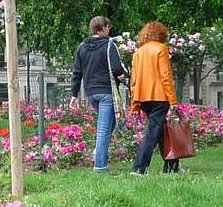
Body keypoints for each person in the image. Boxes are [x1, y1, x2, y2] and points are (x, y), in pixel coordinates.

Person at [69, 17, 129, 172]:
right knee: (103, 129)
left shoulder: (82, 47)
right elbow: (117, 69)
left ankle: (102, 158)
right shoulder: (109, 45)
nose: (109, 29)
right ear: (102, 28)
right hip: (106, 92)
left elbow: (77, 72)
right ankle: (100, 165)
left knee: (109, 125)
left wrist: (74, 95)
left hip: (91, 92)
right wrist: (122, 69)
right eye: (108, 27)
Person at [128, 21, 179, 176]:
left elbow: (134, 80)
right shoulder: (161, 48)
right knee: (154, 132)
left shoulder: (139, 52)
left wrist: (135, 104)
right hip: (159, 96)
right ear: (161, 34)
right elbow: (165, 76)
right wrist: (173, 100)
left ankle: (172, 166)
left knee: (162, 130)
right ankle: (139, 167)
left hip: (143, 98)